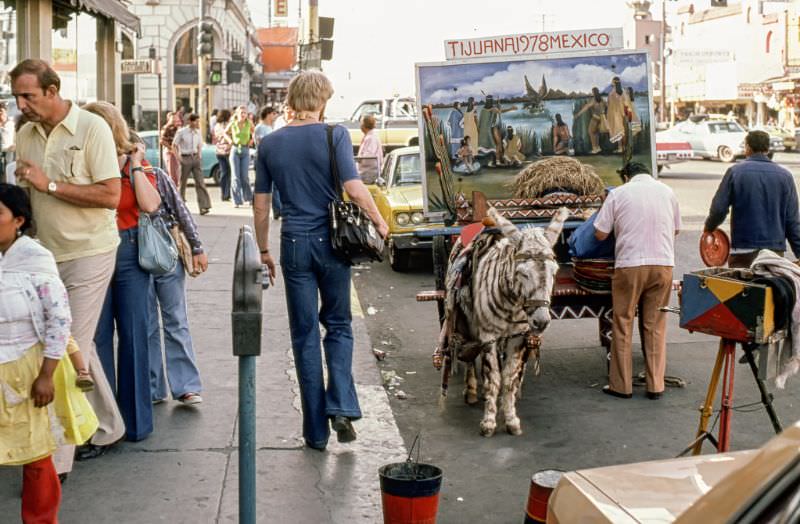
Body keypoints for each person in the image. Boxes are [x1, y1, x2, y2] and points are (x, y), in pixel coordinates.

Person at [253, 71, 388, 451]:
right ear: (323, 100)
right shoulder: (335, 135)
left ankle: (315, 431)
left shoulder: (271, 143)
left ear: (293, 101)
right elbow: (354, 188)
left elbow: (261, 204)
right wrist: (379, 221)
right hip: (331, 244)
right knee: (339, 325)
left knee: (304, 334)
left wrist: (264, 250)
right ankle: (342, 405)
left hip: (293, 244)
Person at [12, 59, 126, 467]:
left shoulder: (91, 128)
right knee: (77, 342)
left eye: (28, 95)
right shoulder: (24, 135)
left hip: (89, 251)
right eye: (17, 96)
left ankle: (55, 461)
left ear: (52, 89)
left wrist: (51, 184)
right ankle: (109, 426)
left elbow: (111, 195)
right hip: (43, 254)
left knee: (61, 344)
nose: (21, 104)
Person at [0, 183, 99, 521]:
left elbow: (59, 319)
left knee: (36, 456)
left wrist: (46, 375)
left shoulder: (35, 259)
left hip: (27, 374)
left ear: (19, 220)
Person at [83, 102, 161, 445]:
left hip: (129, 248)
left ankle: (136, 423)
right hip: (91, 247)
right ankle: (103, 423)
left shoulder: (133, 159)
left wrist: (134, 166)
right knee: (95, 339)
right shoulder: (84, 159)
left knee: (133, 335)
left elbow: (150, 205)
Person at [130, 131, 209, 406]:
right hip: (137, 258)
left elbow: (180, 210)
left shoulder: (156, 176)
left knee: (173, 320)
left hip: (165, 253)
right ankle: (157, 387)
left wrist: (197, 247)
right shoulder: (116, 179)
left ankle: (182, 386)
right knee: (150, 322)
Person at [594, 162, 681, 400]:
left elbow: (600, 233)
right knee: (655, 326)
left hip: (630, 265)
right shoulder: (667, 191)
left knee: (623, 322)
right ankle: (655, 385)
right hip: (663, 264)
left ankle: (621, 387)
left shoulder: (618, 194)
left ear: (625, 176)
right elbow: (675, 230)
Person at [705, 130, 800, 268]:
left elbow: (719, 209)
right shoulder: (785, 176)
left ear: (748, 147)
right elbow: (792, 220)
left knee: (741, 288)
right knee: (770, 288)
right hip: (773, 253)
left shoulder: (735, 172)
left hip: (743, 250)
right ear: (767, 148)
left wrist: (709, 227)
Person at [173, 113, 211, 215]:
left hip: (195, 158)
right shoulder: (182, 132)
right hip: (185, 158)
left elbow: (199, 145)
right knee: (183, 183)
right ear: (190, 121)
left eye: (198, 121)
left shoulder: (198, 132)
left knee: (200, 182)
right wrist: (179, 158)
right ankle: (180, 207)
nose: (198, 123)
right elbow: (174, 145)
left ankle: (204, 206)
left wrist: (199, 155)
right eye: (196, 121)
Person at [254, 106, 281, 218]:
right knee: (264, 187)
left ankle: (277, 210)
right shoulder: (260, 127)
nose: (275, 116)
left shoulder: (271, 127)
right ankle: (264, 209)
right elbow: (261, 143)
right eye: (274, 113)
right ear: (268, 114)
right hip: (263, 159)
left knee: (275, 186)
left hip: (273, 158)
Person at [226, 106, 254, 208]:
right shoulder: (233, 123)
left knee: (245, 176)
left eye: (245, 113)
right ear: (237, 114)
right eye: (241, 113)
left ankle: (249, 198)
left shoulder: (249, 123)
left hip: (245, 150)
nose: (243, 115)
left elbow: (254, 132)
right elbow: (225, 133)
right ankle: (236, 200)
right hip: (235, 150)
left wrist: (251, 141)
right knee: (235, 177)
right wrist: (229, 140)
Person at [575, 87, 608, 154]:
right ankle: (598, 147)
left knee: (591, 132)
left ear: (593, 92)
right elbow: (607, 107)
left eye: (592, 92)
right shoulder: (603, 100)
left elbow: (586, 107)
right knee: (596, 133)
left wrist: (578, 114)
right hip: (602, 118)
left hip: (595, 118)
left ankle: (594, 148)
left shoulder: (593, 100)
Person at [356, 114, 383, 183]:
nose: (360, 126)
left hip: (369, 175)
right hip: (366, 173)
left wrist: (357, 160)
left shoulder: (371, 138)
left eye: (361, 123)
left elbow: (368, 157)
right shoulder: (369, 136)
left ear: (364, 125)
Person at [213, 109, 233, 202]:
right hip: (227, 150)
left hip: (219, 150)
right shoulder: (227, 125)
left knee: (224, 172)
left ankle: (224, 193)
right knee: (228, 172)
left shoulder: (216, 126)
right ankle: (226, 193)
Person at [606, 77, 628, 151]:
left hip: (614, 113)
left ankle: (621, 147)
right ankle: (621, 147)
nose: (611, 82)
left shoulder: (612, 92)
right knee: (619, 130)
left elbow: (608, 103)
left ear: (614, 82)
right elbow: (625, 103)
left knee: (617, 130)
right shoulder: (622, 91)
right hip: (618, 113)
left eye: (612, 81)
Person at [160, 111, 181, 187]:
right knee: (172, 175)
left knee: (176, 175)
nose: (176, 120)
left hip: (175, 152)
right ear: (169, 118)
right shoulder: (166, 127)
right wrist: (171, 148)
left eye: (177, 119)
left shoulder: (175, 127)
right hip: (170, 153)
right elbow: (162, 140)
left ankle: (175, 193)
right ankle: (173, 194)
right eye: (174, 119)